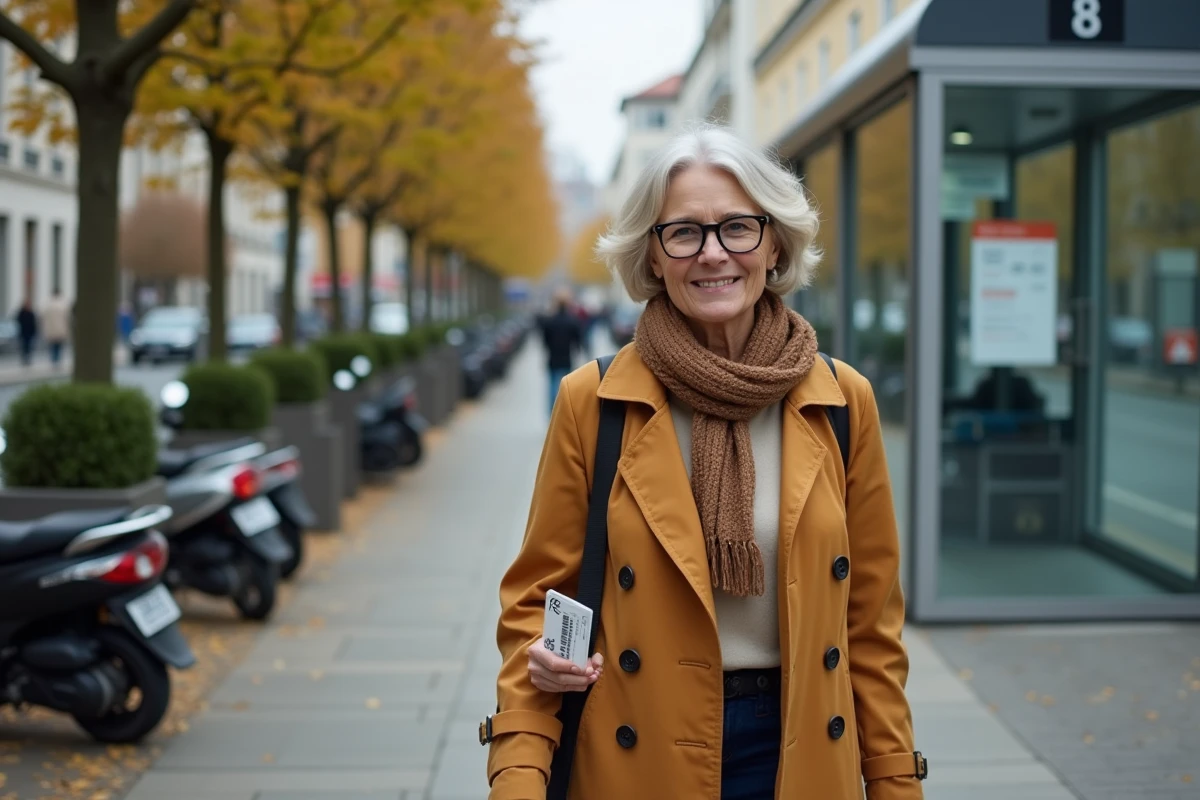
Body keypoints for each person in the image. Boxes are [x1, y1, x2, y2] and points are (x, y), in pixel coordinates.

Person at [484, 125, 925, 800]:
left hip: (799, 750)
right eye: (684, 232)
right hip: (637, 749)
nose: (713, 253)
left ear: (774, 242)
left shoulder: (841, 401)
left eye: (737, 228)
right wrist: (519, 769)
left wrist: (896, 783)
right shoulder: (595, 401)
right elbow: (537, 605)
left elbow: (870, 630)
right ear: (653, 256)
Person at [538, 287, 583, 414]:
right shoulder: (572, 321)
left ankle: (551, 412)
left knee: (552, 385)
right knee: (566, 386)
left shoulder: (549, 321)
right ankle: (562, 412)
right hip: (566, 357)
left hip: (552, 357)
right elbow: (578, 340)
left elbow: (545, 341)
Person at [41, 290, 70, 368]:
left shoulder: (48, 305)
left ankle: (54, 360)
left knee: (52, 346)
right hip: (61, 329)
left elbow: (44, 319)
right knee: (59, 346)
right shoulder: (63, 305)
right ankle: (57, 360)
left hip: (51, 330)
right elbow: (66, 319)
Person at [15, 300, 37, 366]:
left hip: (30, 333)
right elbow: (18, 320)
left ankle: (28, 359)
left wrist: (34, 331)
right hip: (23, 333)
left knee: (29, 347)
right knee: (23, 347)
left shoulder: (31, 313)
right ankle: (24, 359)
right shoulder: (21, 313)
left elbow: (34, 323)